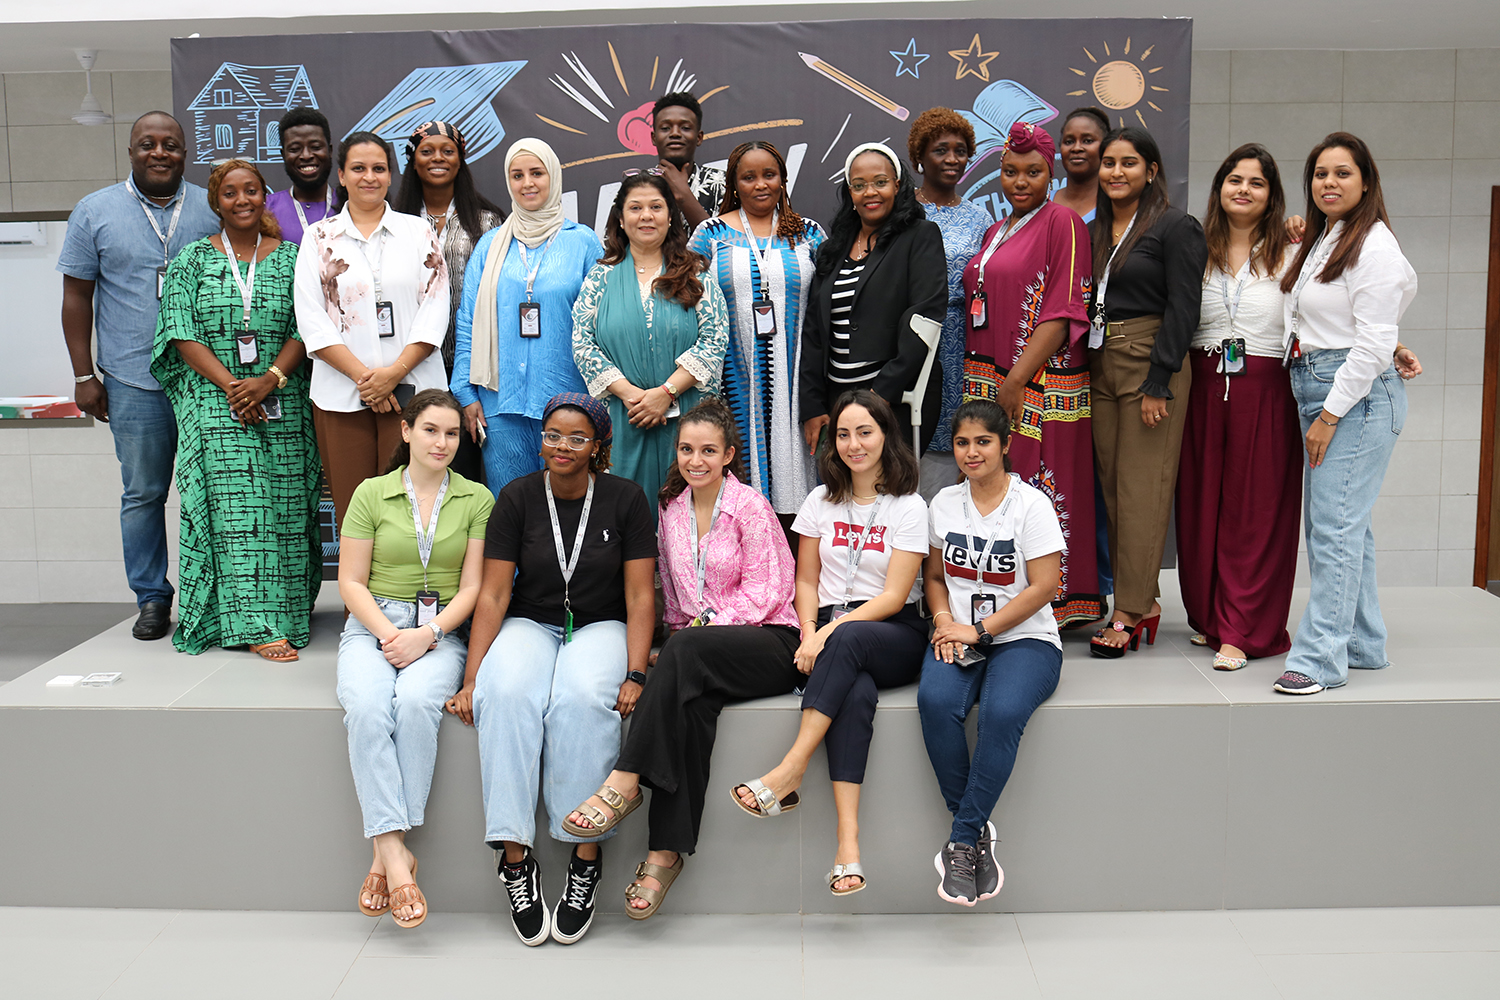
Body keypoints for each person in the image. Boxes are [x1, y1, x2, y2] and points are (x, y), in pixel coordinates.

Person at [560, 397, 802, 918]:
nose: (696, 460)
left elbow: (765, 593)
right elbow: (671, 597)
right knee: (688, 710)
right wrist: (672, 643)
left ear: (729, 455)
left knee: (685, 645)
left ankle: (625, 780)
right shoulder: (670, 511)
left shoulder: (750, 507)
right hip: (699, 652)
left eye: (708, 450)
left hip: (768, 641)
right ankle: (663, 854)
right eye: (687, 449)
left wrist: (691, 634)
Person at [448, 393, 655, 946]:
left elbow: (640, 596)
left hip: (600, 624)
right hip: (531, 621)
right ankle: (515, 858)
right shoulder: (516, 497)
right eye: (553, 436)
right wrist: (472, 678)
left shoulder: (626, 498)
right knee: (505, 693)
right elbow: (494, 595)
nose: (563, 447)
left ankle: (585, 855)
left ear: (597, 446)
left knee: (581, 698)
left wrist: (635, 673)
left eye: (577, 438)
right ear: (540, 441)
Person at [728, 389, 928, 896]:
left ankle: (790, 768)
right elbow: (806, 581)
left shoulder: (909, 506)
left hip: (893, 632)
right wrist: (808, 629)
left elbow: (894, 596)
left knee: (852, 638)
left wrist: (828, 632)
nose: (853, 444)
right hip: (831, 634)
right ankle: (848, 847)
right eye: (843, 434)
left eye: (865, 432)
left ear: (886, 435)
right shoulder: (819, 501)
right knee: (854, 694)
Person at [58, 110, 221, 641]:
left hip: (205, 379)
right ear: (130, 152)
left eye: (170, 144)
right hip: (132, 379)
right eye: (147, 144)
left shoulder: (212, 206)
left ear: (185, 152)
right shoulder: (94, 211)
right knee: (145, 492)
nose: (159, 152)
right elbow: (76, 296)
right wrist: (83, 375)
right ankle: (152, 597)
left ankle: (215, 595)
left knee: (214, 490)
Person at [149, 159, 320, 660]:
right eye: (230, 192)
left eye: (251, 190)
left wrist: (269, 380)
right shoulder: (191, 260)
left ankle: (287, 611)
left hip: (283, 399)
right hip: (217, 403)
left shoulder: (294, 258)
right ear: (216, 202)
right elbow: (179, 331)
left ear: (265, 196)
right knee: (238, 514)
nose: (242, 199)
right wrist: (233, 387)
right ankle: (256, 624)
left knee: (287, 508)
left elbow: (308, 327)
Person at [336, 389, 493, 930]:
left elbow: (472, 587)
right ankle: (397, 856)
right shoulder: (371, 493)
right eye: (430, 430)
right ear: (405, 432)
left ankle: (385, 856)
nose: (441, 442)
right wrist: (390, 636)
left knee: (417, 703)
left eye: (451, 433)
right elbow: (350, 581)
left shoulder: (476, 498)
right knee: (366, 707)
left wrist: (428, 634)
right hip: (373, 623)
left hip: (441, 627)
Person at [1273, 133, 1419, 696]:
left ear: (1366, 181)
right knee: (1341, 524)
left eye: (1342, 173)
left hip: (1352, 398)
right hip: (1320, 382)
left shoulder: (1374, 245)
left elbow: (1373, 340)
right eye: (1320, 174)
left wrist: (1330, 414)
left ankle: (1319, 660)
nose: (1329, 182)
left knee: (1334, 527)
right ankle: (1362, 643)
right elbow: (1330, 318)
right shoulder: (1326, 237)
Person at [921, 399, 1065, 907]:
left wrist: (978, 630)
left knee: (1001, 713)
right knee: (935, 702)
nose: (971, 452)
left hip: (1026, 639)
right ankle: (975, 834)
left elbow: (1045, 586)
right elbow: (934, 576)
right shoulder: (943, 503)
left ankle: (961, 841)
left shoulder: (1032, 505)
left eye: (983, 441)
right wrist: (944, 620)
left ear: (1005, 444)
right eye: (962, 442)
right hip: (958, 633)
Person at [962, 121, 1103, 628]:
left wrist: (1016, 381)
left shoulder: (1063, 222)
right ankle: (1000, 599)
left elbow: (1064, 312)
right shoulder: (996, 229)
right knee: (996, 487)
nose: (1019, 182)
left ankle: (1054, 605)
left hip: (1036, 385)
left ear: (1051, 174)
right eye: (1009, 172)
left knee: (1038, 489)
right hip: (993, 380)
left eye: (1032, 172)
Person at [1176, 144, 1300, 669]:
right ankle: (1210, 615)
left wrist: (1393, 346)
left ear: (1271, 195)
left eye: (1256, 182)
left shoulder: (1293, 251)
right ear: (1219, 187)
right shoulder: (1193, 249)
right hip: (1201, 388)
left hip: (1265, 391)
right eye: (1235, 179)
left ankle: (1242, 628)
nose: (1243, 189)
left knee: (1255, 510)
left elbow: (1334, 311)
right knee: (1200, 506)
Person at [1087, 127, 1207, 657]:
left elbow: (1185, 306)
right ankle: (1142, 598)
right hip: (1100, 362)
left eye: (1129, 162)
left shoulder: (1175, 226)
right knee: (1114, 490)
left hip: (1149, 362)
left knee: (1142, 490)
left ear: (1152, 170)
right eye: (1109, 162)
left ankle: (1131, 610)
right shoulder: (1094, 229)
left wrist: (1160, 379)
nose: (1116, 172)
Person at [293, 131, 450, 536]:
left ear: (390, 175)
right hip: (342, 396)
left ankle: (409, 581)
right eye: (358, 168)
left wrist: (393, 374)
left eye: (379, 168)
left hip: (412, 394)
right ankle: (358, 584)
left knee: (413, 512)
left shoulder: (418, 232)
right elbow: (311, 319)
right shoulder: (318, 237)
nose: (369, 177)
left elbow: (435, 309)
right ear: (341, 176)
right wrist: (368, 380)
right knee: (355, 514)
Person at [452, 138, 601, 494]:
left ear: (554, 178)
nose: (527, 183)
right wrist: (465, 394)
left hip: (569, 401)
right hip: (499, 400)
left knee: (569, 502)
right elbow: (468, 320)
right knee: (511, 503)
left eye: (537, 173)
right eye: (517, 175)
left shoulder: (583, 242)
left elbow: (600, 326)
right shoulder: (490, 245)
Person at [686, 141, 826, 517]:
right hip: (733, 378)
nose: (760, 184)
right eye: (748, 177)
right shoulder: (710, 233)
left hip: (797, 381)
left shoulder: (809, 233)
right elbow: (686, 301)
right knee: (738, 484)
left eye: (769, 175)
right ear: (734, 184)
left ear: (783, 179)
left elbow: (827, 307)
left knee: (801, 489)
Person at [572, 173, 728, 504]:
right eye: (635, 208)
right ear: (621, 218)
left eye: (656, 207)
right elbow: (583, 343)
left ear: (670, 216)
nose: (646, 216)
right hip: (622, 416)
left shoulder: (696, 274)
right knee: (625, 511)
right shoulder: (601, 277)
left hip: (689, 418)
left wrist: (665, 393)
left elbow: (714, 339)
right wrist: (633, 396)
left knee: (689, 508)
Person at [800, 142, 947, 458]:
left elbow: (926, 318)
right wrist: (812, 405)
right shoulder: (831, 250)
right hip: (837, 402)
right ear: (849, 192)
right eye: (859, 185)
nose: (870, 192)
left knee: (887, 486)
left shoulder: (920, 236)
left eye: (880, 182)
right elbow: (813, 331)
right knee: (844, 486)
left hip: (894, 400)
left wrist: (879, 395)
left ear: (897, 185)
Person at [394, 120, 505, 484]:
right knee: (416, 469)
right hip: (411, 366)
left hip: (473, 369)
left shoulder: (489, 222)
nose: (437, 158)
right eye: (427, 151)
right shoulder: (396, 223)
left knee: (466, 472)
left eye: (448, 151)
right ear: (413, 161)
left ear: (461, 158)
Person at [906, 108, 994, 497]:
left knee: (959, 435)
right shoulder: (902, 213)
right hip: (912, 339)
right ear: (919, 157)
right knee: (911, 434)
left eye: (960, 150)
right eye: (941, 150)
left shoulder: (980, 218)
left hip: (965, 343)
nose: (952, 159)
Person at [1049, 106, 1115, 609]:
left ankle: (1107, 583)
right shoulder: (1046, 205)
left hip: (1110, 355)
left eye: (1088, 139)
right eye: (1069, 139)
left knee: (1106, 475)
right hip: (1057, 358)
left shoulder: (1119, 206)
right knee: (1069, 474)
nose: (1076, 147)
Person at [650, 92, 726, 231]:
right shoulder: (636, 185)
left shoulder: (723, 184)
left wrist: (684, 196)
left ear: (699, 137)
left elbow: (725, 241)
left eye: (685, 128)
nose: (675, 133)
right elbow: (614, 241)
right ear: (654, 138)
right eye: (665, 128)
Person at [265, 106, 335, 246]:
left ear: (330, 151)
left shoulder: (351, 205)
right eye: (295, 149)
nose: (306, 156)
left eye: (315, 147)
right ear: (283, 155)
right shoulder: (266, 210)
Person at [1051, 107, 1110, 224]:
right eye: (1069, 142)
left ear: (1105, 147)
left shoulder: (1116, 208)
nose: (1076, 148)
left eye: (1087, 141)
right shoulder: (1039, 204)